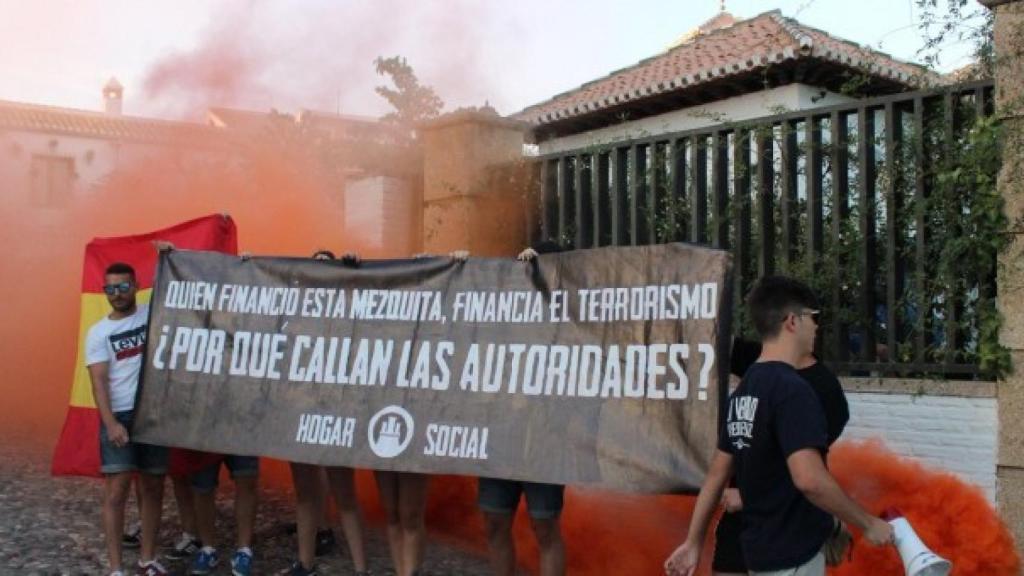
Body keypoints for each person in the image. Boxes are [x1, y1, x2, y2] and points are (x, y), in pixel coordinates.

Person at [665, 276, 893, 576]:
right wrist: (867, 523)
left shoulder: (745, 389)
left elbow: (716, 476)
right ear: (792, 322)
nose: (816, 326)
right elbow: (810, 479)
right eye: (812, 318)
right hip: (791, 554)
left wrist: (693, 542)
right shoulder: (793, 390)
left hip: (758, 552)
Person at [711, 338, 850, 575]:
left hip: (787, 526)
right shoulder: (762, 362)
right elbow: (711, 339)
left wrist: (748, 497)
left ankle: (827, 523)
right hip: (743, 522)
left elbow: (806, 473)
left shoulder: (824, 389)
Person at [477, 240, 567, 576]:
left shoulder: (565, 314)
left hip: (543, 440)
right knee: (494, 522)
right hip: (500, 436)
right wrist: (458, 265)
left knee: (544, 526)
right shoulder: (503, 309)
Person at [282, 248, 369, 576]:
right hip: (301, 409)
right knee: (306, 495)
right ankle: (305, 562)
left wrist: (354, 271)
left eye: (326, 266)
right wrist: (247, 264)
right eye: (313, 265)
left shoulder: (347, 309)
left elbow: (368, 307)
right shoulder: (296, 313)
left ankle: (361, 569)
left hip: (336, 411)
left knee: (344, 494)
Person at [87, 262, 169, 576]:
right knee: (117, 491)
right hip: (119, 413)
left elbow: (178, 288)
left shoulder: (152, 313)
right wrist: (110, 423)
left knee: (152, 488)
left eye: (123, 287)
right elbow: (98, 382)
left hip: (153, 413)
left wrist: (167, 257)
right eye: (110, 289)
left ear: (135, 286)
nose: (117, 294)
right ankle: (116, 568)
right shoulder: (98, 332)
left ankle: (147, 559)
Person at [188, 456, 260, 576]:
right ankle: (207, 550)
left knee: (247, 479)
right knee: (202, 486)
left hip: (243, 439)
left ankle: (244, 551)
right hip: (206, 441)